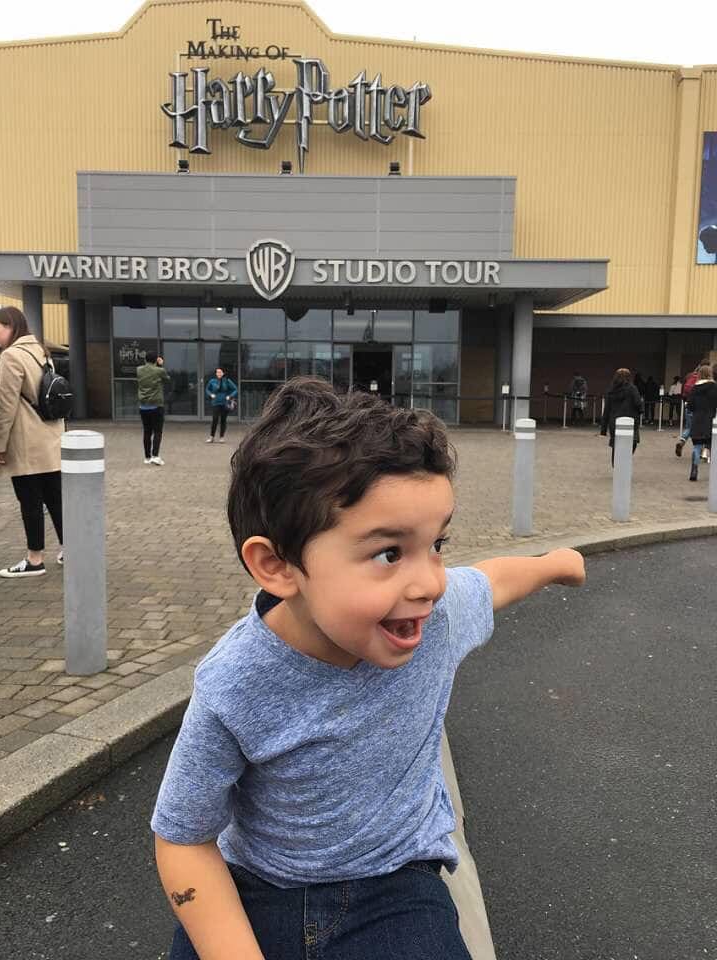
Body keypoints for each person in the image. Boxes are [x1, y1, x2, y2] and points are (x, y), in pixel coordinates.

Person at [151, 377, 586, 960]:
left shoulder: (437, 614)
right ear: (278, 566)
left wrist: (554, 562)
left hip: (396, 887)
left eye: (437, 543)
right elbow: (183, 838)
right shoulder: (235, 682)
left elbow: (492, 580)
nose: (430, 581)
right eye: (389, 553)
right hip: (256, 894)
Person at [0, 306, 64, 578]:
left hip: (26, 441)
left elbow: (5, 405)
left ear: (10, 326)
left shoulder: (11, 356)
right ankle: (70, 548)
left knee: (30, 502)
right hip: (51, 438)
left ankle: (35, 559)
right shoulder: (42, 351)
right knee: (56, 500)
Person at [599, 367, 644, 466]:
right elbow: (638, 404)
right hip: (630, 422)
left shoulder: (610, 390)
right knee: (632, 443)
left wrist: (603, 430)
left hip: (614, 422)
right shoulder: (632, 388)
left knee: (616, 444)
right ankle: (624, 464)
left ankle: (616, 465)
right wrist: (640, 411)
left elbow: (606, 410)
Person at [137, 351, 170, 465]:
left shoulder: (139, 370)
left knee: (147, 431)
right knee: (157, 431)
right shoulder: (159, 370)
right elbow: (167, 379)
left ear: (145, 359)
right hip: (156, 405)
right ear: (156, 360)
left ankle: (147, 457)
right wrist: (160, 365)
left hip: (143, 405)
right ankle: (155, 456)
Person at [685, 364, 717, 481]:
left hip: (697, 420)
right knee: (713, 446)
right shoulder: (714, 387)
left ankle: (694, 470)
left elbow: (690, 405)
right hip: (711, 419)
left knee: (697, 446)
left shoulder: (695, 388)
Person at [675, 359, 709, 457]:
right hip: (700, 409)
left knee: (689, 428)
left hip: (688, 405)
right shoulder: (705, 379)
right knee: (702, 430)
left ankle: (682, 441)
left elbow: (683, 391)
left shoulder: (690, 375)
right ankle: (702, 452)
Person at [204, 367, 238, 443]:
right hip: (215, 403)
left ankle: (221, 437)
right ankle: (211, 437)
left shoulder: (227, 381)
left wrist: (230, 396)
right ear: (216, 373)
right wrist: (211, 394)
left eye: (220, 372)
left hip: (224, 403)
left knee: (223, 420)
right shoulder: (212, 381)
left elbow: (236, 389)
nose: (219, 374)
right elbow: (207, 389)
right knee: (215, 419)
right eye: (217, 372)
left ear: (223, 373)